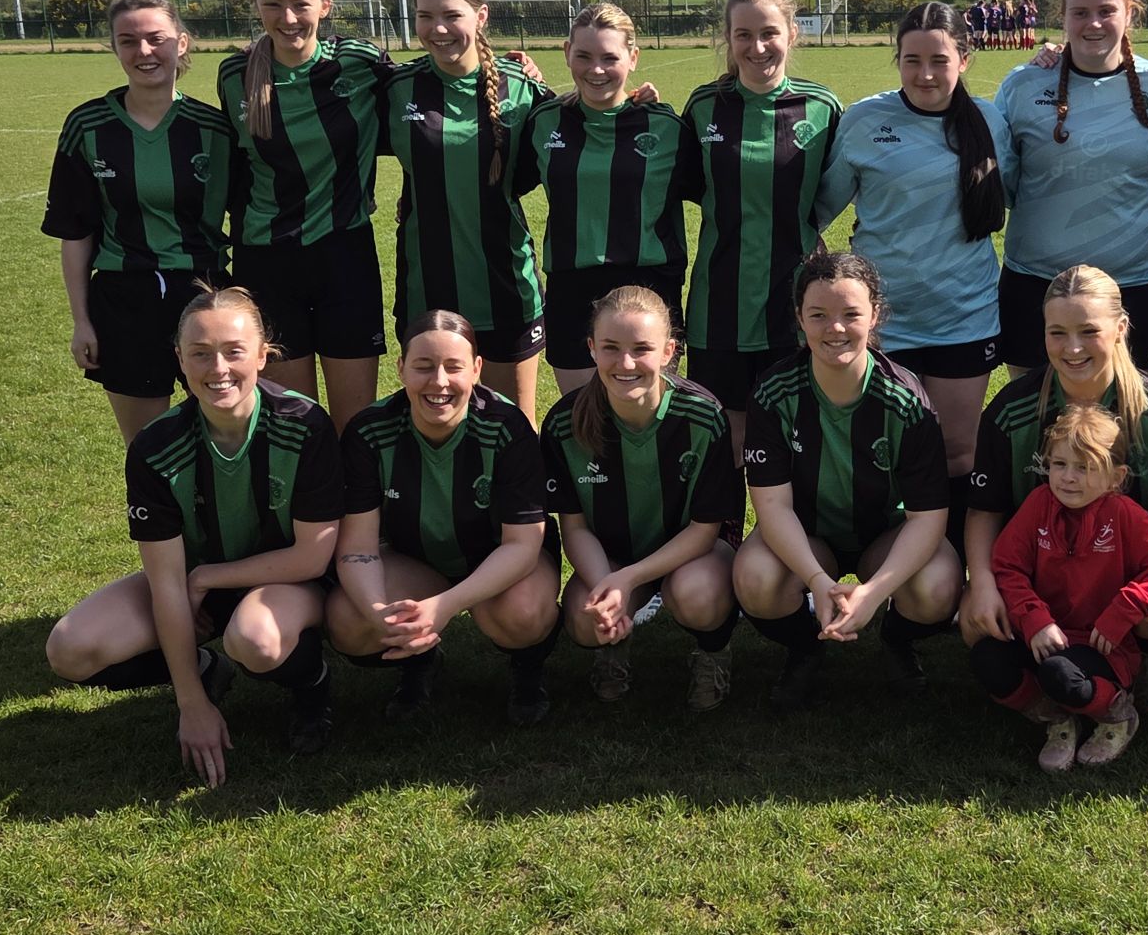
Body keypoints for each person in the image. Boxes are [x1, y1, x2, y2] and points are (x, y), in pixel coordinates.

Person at [45, 286, 342, 787]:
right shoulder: (155, 446)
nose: (218, 368)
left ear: (263, 355)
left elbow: (313, 557)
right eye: (200, 353)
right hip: (193, 588)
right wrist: (192, 702)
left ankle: (312, 687)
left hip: (288, 582)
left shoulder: (306, 425)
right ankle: (207, 671)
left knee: (255, 639)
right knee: (71, 649)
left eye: (233, 351)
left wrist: (206, 577)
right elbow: (165, 582)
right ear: (179, 360)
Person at [961, 266, 1148, 716]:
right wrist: (981, 584)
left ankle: (1138, 659)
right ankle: (1049, 694)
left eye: (1089, 331)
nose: (1072, 348)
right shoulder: (1012, 409)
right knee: (975, 624)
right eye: (1057, 332)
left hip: (1125, 582)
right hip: (1042, 575)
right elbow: (984, 511)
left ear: (1121, 328)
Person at [733, 252, 960, 707]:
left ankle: (896, 641)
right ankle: (805, 647)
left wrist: (874, 594)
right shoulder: (775, 393)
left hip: (885, 536)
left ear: (875, 315)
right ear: (799, 318)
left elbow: (928, 519)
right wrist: (817, 580)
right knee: (756, 578)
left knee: (938, 586)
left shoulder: (907, 402)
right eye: (818, 315)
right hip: (809, 535)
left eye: (850, 314)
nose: (835, 328)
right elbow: (772, 506)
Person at [325, 310, 561, 724]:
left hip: (498, 561)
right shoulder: (369, 432)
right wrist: (379, 613)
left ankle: (528, 668)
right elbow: (357, 548)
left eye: (454, 367)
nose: (439, 382)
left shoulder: (506, 427)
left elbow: (522, 547)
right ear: (400, 368)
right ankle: (418, 659)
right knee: (348, 621)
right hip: (416, 563)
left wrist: (445, 606)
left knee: (523, 614)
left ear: (477, 369)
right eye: (423, 366)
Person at [816, 0, 1012, 484]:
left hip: (964, 316)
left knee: (957, 451)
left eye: (939, 60)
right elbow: (817, 212)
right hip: (882, 321)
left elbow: (1022, 195)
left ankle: (949, 537)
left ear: (964, 60)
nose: (925, 75)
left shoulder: (990, 122)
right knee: (881, 451)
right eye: (912, 60)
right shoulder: (864, 120)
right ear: (897, 59)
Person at [43, 0, 233, 443]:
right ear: (114, 48)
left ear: (181, 43)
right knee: (146, 447)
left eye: (156, 38)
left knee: (224, 436)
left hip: (204, 295)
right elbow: (76, 232)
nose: (143, 51)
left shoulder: (214, 129)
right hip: (123, 301)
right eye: (128, 41)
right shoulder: (87, 126)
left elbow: (252, 214)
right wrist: (81, 321)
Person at [541, 287, 742, 712]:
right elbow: (573, 527)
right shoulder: (563, 423)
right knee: (582, 617)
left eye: (642, 349)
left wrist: (629, 581)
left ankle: (713, 652)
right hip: (612, 555)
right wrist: (606, 587)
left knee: (697, 595)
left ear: (669, 351)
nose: (626, 363)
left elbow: (704, 531)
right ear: (591, 348)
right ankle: (613, 646)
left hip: (691, 554)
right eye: (611, 348)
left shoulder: (703, 416)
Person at [217, 0, 391, 433]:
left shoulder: (359, 62)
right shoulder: (235, 75)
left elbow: (430, 85)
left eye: (300, 4)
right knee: (295, 427)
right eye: (273, 4)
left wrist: (511, 66)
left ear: (325, 6)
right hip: (267, 262)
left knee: (353, 427)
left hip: (344, 256)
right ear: (257, 7)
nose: (288, 18)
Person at [975, 404, 1148, 771]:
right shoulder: (1038, 504)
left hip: (1102, 645)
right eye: (1059, 464)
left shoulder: (1124, 514)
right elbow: (1007, 565)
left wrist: (1123, 610)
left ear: (1115, 477)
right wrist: (1034, 619)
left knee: (1060, 675)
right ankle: (1058, 719)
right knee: (987, 658)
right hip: (1044, 635)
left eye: (1085, 467)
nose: (1068, 478)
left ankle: (1117, 717)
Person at [680, 0, 844, 453]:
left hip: (798, 302)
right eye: (744, 35)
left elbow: (841, 187)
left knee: (800, 434)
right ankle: (730, 510)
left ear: (792, 33)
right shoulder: (703, 106)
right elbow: (680, 184)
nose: (757, 47)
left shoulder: (823, 108)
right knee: (726, 440)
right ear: (728, 39)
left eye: (769, 32)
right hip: (719, 304)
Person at [380, 0, 554, 406]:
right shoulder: (396, 88)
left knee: (515, 426)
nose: (438, 29)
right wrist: (263, 48)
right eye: (425, 16)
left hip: (506, 287)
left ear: (481, 16)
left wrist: (637, 101)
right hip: (426, 289)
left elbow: (583, 125)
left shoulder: (522, 89)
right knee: (436, 419)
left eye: (452, 15)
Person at [995, 0, 1148, 374]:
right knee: (1032, 410)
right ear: (1062, 18)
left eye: (1106, 11)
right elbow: (1002, 181)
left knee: (1132, 411)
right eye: (1080, 12)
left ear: (1129, 14)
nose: (1093, 23)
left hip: (1136, 283)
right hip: (1036, 282)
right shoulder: (1023, 85)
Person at [528, 2, 692, 396]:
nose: (596, 69)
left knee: (646, 416)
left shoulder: (667, 127)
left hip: (649, 287)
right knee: (580, 416)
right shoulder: (544, 121)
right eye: (584, 56)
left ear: (633, 58)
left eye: (610, 58)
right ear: (567, 52)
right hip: (572, 289)